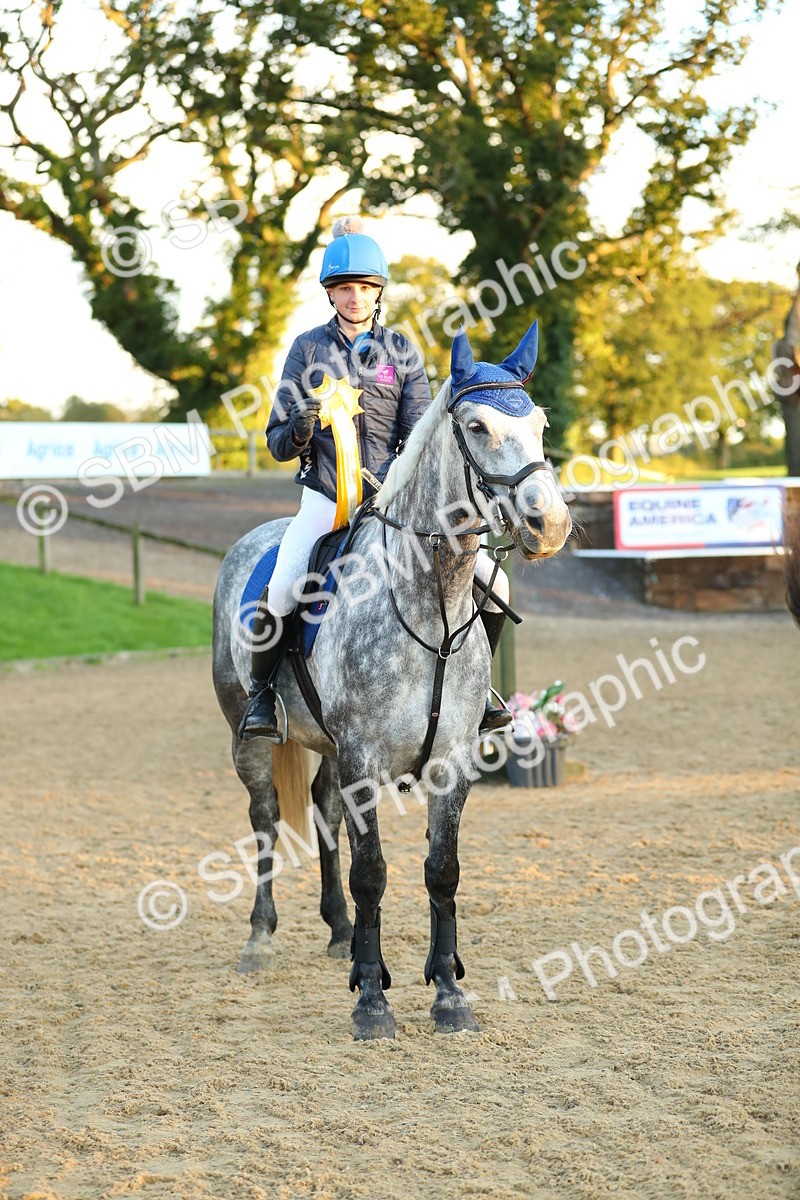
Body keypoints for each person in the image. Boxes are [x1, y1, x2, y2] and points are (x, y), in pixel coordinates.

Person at [239, 216, 511, 741]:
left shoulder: (402, 351)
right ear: (330, 293)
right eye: (344, 288)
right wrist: (297, 431)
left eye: (364, 288)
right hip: (325, 499)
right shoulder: (307, 350)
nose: (355, 297)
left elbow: (420, 432)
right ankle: (262, 696)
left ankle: (478, 690)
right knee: (282, 586)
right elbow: (276, 442)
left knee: (494, 581)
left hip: (392, 503)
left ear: (377, 291)